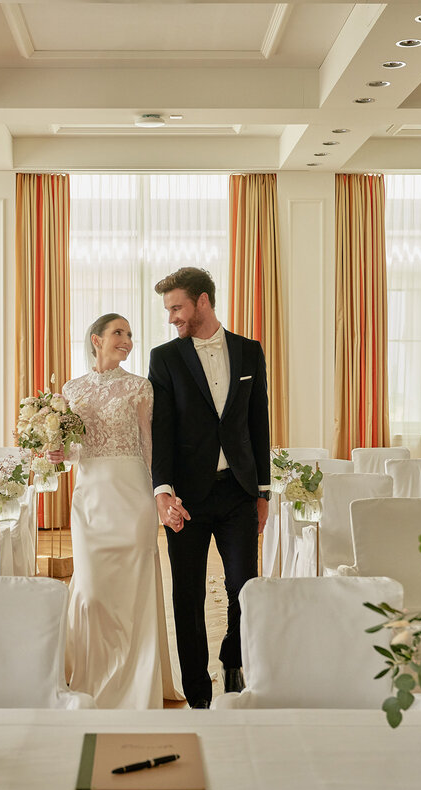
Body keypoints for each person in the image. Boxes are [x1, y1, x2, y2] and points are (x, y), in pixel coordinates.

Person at [148, 268, 270, 709]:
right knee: (187, 595)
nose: (171, 318)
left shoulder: (249, 351)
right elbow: (161, 431)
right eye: (168, 310)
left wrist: (263, 492)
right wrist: (163, 491)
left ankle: (233, 662)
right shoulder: (164, 358)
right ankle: (198, 695)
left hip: (238, 492)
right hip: (188, 498)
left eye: (176, 307)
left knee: (245, 589)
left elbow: (259, 423)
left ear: (202, 301)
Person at [53, 313, 180, 709]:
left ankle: (137, 682)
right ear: (96, 339)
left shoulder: (140, 388)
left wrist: (163, 493)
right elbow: (74, 450)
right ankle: (91, 677)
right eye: (118, 333)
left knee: (133, 587)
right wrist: (57, 451)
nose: (126, 340)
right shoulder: (71, 389)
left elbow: (150, 444)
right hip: (91, 497)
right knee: (91, 590)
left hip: (132, 495)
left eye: (129, 334)